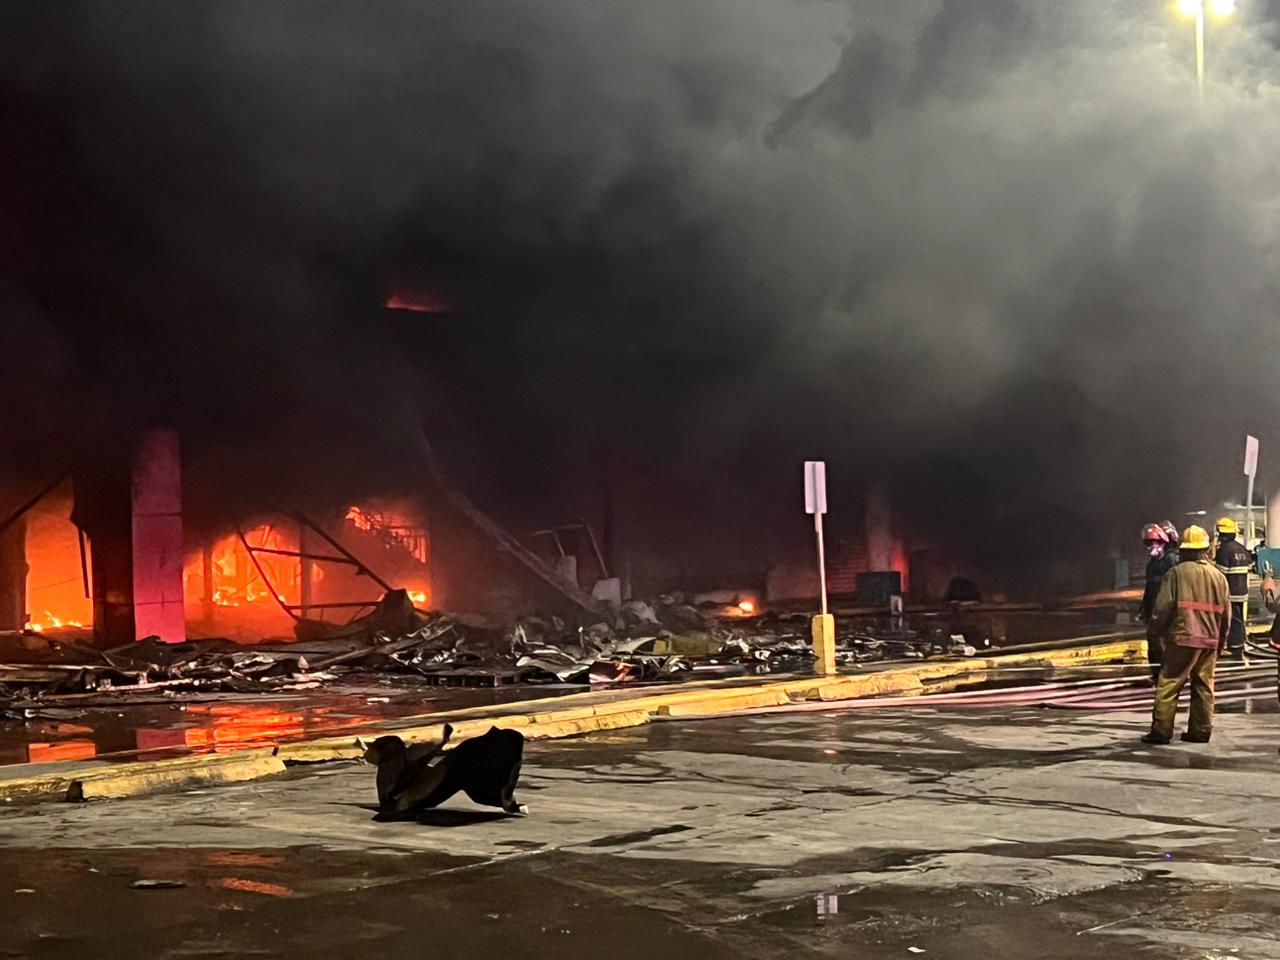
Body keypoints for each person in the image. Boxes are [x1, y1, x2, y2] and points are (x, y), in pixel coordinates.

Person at [1143, 524, 1231, 745]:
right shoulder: (1219, 577)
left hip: (1183, 637)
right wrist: (1220, 642)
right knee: (1204, 686)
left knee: (1169, 683)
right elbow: (1227, 615)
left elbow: (1163, 607)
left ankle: (1161, 731)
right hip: (1209, 640)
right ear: (1205, 549)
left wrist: (1155, 631)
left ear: (1186, 550)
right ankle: (1200, 731)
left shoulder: (1176, 574)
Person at [1137, 522, 1179, 682]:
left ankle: (1170, 676)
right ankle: (1157, 675)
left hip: (1170, 611)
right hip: (1155, 611)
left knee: (1170, 645)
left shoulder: (1172, 561)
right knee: (1154, 643)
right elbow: (1150, 589)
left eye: (1153, 543)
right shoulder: (1152, 564)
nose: (1150, 547)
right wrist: (1144, 609)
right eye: (1148, 543)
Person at [1214, 517, 1252, 660]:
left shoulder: (1224, 551)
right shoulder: (1241, 548)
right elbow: (1249, 566)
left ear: (1222, 534)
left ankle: (1235, 645)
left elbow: (1220, 574)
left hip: (1229, 592)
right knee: (1238, 617)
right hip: (1242, 590)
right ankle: (1241, 640)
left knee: (1232, 619)